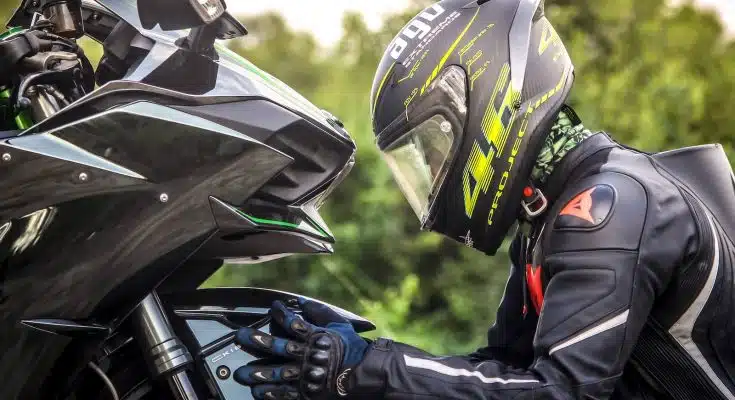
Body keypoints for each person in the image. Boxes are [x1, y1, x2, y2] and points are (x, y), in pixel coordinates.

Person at [232, 0, 735, 399]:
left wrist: (367, 368)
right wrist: (356, 354)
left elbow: (560, 393)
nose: (433, 171)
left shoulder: (607, 209)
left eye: (433, 146)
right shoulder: (552, 213)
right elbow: (500, 372)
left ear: (490, 98)